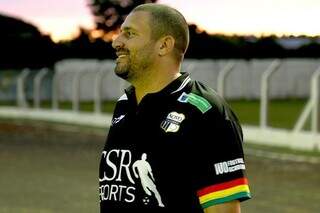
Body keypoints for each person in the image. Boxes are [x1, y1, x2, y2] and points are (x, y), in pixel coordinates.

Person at [99, 3, 251, 213]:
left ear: (164, 45)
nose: (116, 41)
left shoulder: (205, 113)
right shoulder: (124, 104)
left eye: (130, 34)